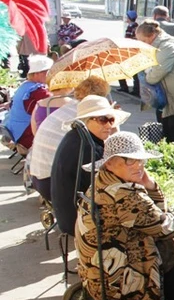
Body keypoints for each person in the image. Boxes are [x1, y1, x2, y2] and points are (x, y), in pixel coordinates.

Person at [76, 131, 174, 300]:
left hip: (97, 268)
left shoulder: (102, 180)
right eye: (129, 161)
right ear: (109, 163)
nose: (138, 166)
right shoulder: (126, 195)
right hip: (116, 278)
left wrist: (148, 186)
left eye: (140, 160)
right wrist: (153, 189)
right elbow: (165, 227)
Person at [50, 95, 128, 238]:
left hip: (66, 213)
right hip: (77, 219)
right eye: (102, 120)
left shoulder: (77, 135)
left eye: (111, 120)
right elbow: (105, 189)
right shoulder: (89, 148)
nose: (109, 125)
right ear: (86, 120)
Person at [28, 76, 109, 202]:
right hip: (54, 183)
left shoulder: (70, 107)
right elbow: (109, 145)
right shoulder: (85, 115)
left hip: (38, 177)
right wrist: (112, 122)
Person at [1, 54, 53, 151]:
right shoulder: (37, 90)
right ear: (36, 73)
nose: (50, 75)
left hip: (15, 132)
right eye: (47, 72)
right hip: (25, 136)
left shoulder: (25, 86)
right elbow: (54, 103)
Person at [119, 10, 139, 95]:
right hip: (130, 51)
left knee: (133, 71)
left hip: (132, 52)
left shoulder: (134, 27)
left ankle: (132, 89)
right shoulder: (132, 26)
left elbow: (132, 39)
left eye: (127, 17)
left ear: (129, 18)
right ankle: (130, 88)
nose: (126, 18)